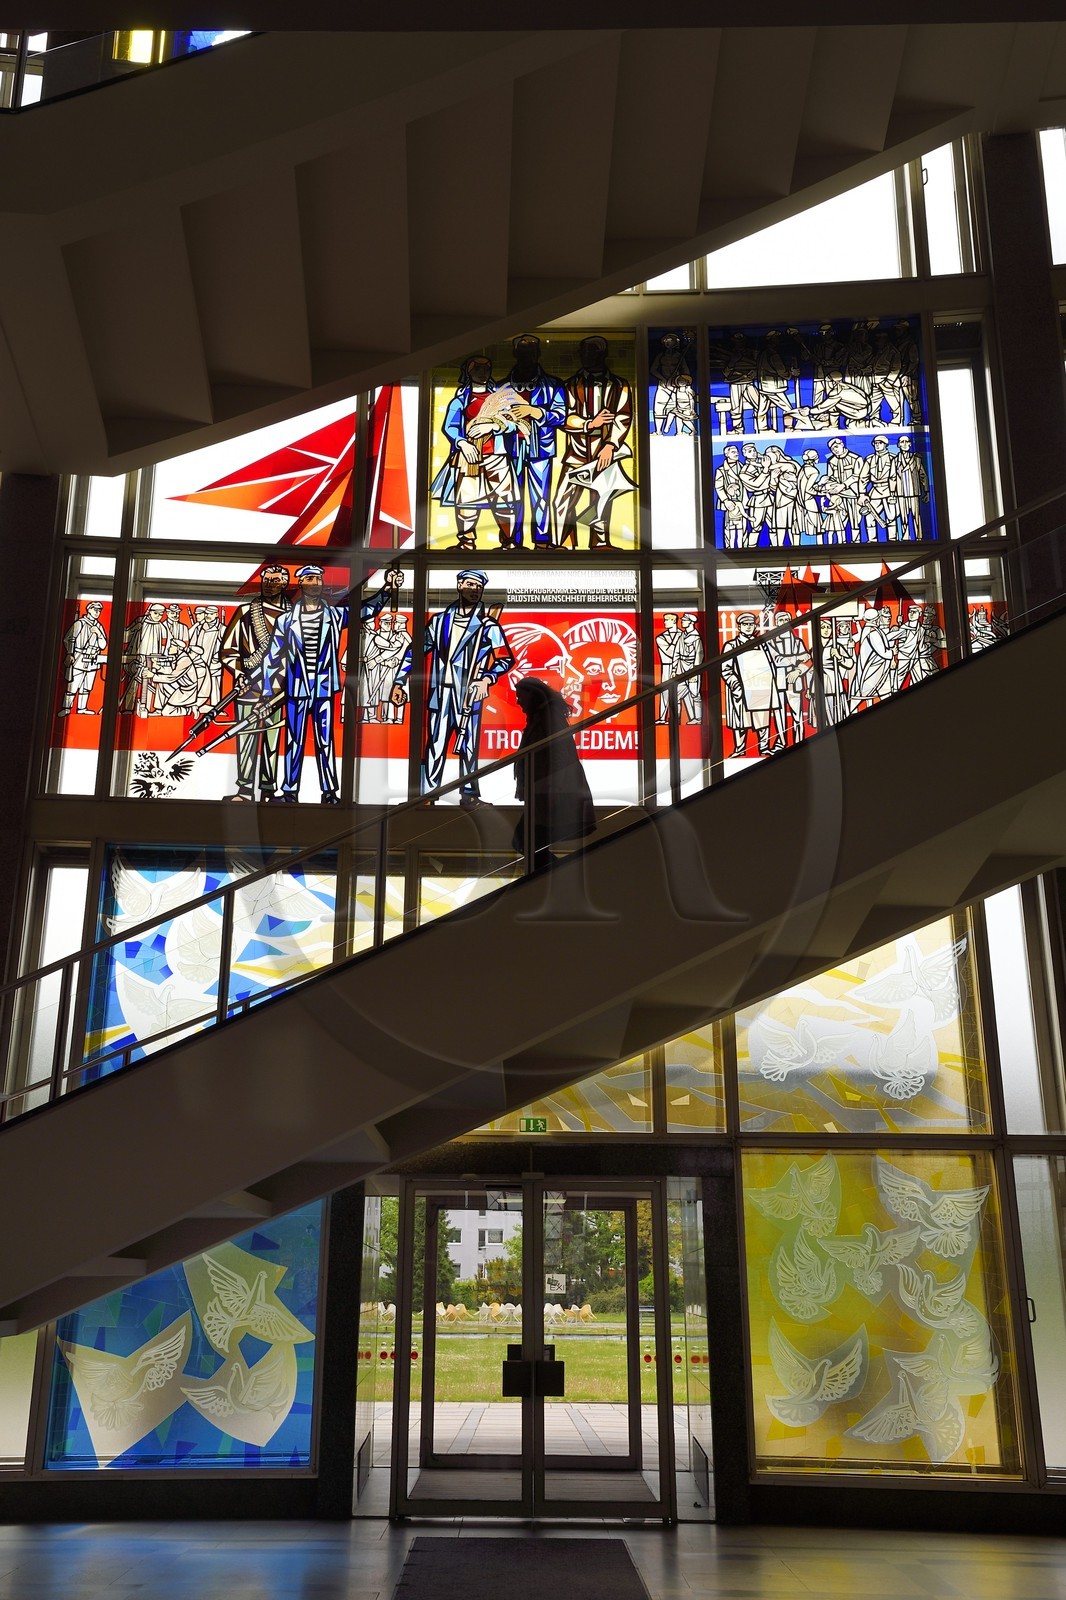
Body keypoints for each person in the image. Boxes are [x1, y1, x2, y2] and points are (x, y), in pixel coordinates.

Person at [264, 563, 402, 803]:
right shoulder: (286, 621)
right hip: (296, 689)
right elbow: (273, 658)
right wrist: (267, 692)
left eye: (318, 579)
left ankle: (329, 792)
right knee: (294, 740)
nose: (315, 584)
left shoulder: (335, 615)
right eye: (309, 579)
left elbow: (366, 610)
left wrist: (387, 588)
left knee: (325, 741)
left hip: (324, 688)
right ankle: (289, 791)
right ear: (301, 584)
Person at [390, 568, 514, 806]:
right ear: (459, 587)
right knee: (435, 744)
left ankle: (469, 795)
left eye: (478, 586)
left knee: (468, 745)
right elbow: (415, 652)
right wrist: (399, 681)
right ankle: (427, 795)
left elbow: (504, 658)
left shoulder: (488, 626)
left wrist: (486, 679)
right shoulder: (438, 622)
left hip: (469, 693)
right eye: (469, 585)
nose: (474, 590)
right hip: (441, 693)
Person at [431, 355, 526, 550]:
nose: (483, 373)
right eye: (478, 369)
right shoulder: (460, 400)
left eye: (486, 369)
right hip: (469, 458)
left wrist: (493, 425)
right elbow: (450, 426)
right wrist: (462, 443)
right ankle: (466, 542)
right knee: (467, 503)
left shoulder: (500, 399)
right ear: (469, 372)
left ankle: (509, 542)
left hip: (497, 457)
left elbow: (515, 424)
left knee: (504, 501)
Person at [553, 336, 634, 550]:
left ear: (602, 354)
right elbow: (565, 418)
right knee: (563, 499)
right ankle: (563, 544)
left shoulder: (620, 385)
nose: (585, 356)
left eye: (591, 352)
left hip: (605, 453)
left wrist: (610, 445)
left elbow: (623, 417)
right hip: (577, 453)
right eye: (583, 352)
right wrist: (590, 423)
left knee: (602, 498)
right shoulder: (570, 384)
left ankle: (600, 543)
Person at [218, 564, 290, 803]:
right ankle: (245, 789)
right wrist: (239, 673)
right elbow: (228, 651)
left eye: (276, 580)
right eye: (267, 580)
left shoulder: (294, 616)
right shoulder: (246, 613)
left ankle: (268, 789)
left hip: (280, 689)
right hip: (249, 686)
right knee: (246, 738)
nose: (270, 585)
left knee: (272, 739)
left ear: (285, 583)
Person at [511, 676, 596, 867]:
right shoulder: (543, 717)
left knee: (524, 840)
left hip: (550, 792)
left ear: (532, 695)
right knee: (526, 841)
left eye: (520, 696)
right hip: (545, 792)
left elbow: (559, 755)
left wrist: (554, 788)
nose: (518, 701)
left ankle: (557, 875)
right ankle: (555, 876)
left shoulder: (547, 718)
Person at [505, 334, 566, 548]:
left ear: (538, 354)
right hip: (511, 449)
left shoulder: (553, 384)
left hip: (540, 448)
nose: (526, 357)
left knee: (540, 496)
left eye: (531, 352)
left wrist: (535, 412)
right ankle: (513, 540)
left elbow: (560, 415)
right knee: (511, 496)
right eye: (522, 352)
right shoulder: (503, 386)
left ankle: (541, 541)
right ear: (515, 354)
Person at [60, 600, 107, 715]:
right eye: (95, 610)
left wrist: (99, 634)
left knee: (87, 686)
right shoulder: (79, 623)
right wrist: (70, 654)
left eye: (99, 611)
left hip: (92, 659)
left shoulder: (98, 626)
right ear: (89, 610)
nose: (97, 612)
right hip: (79, 658)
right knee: (73, 685)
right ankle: (66, 708)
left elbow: (103, 645)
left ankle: (82, 709)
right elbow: (68, 639)